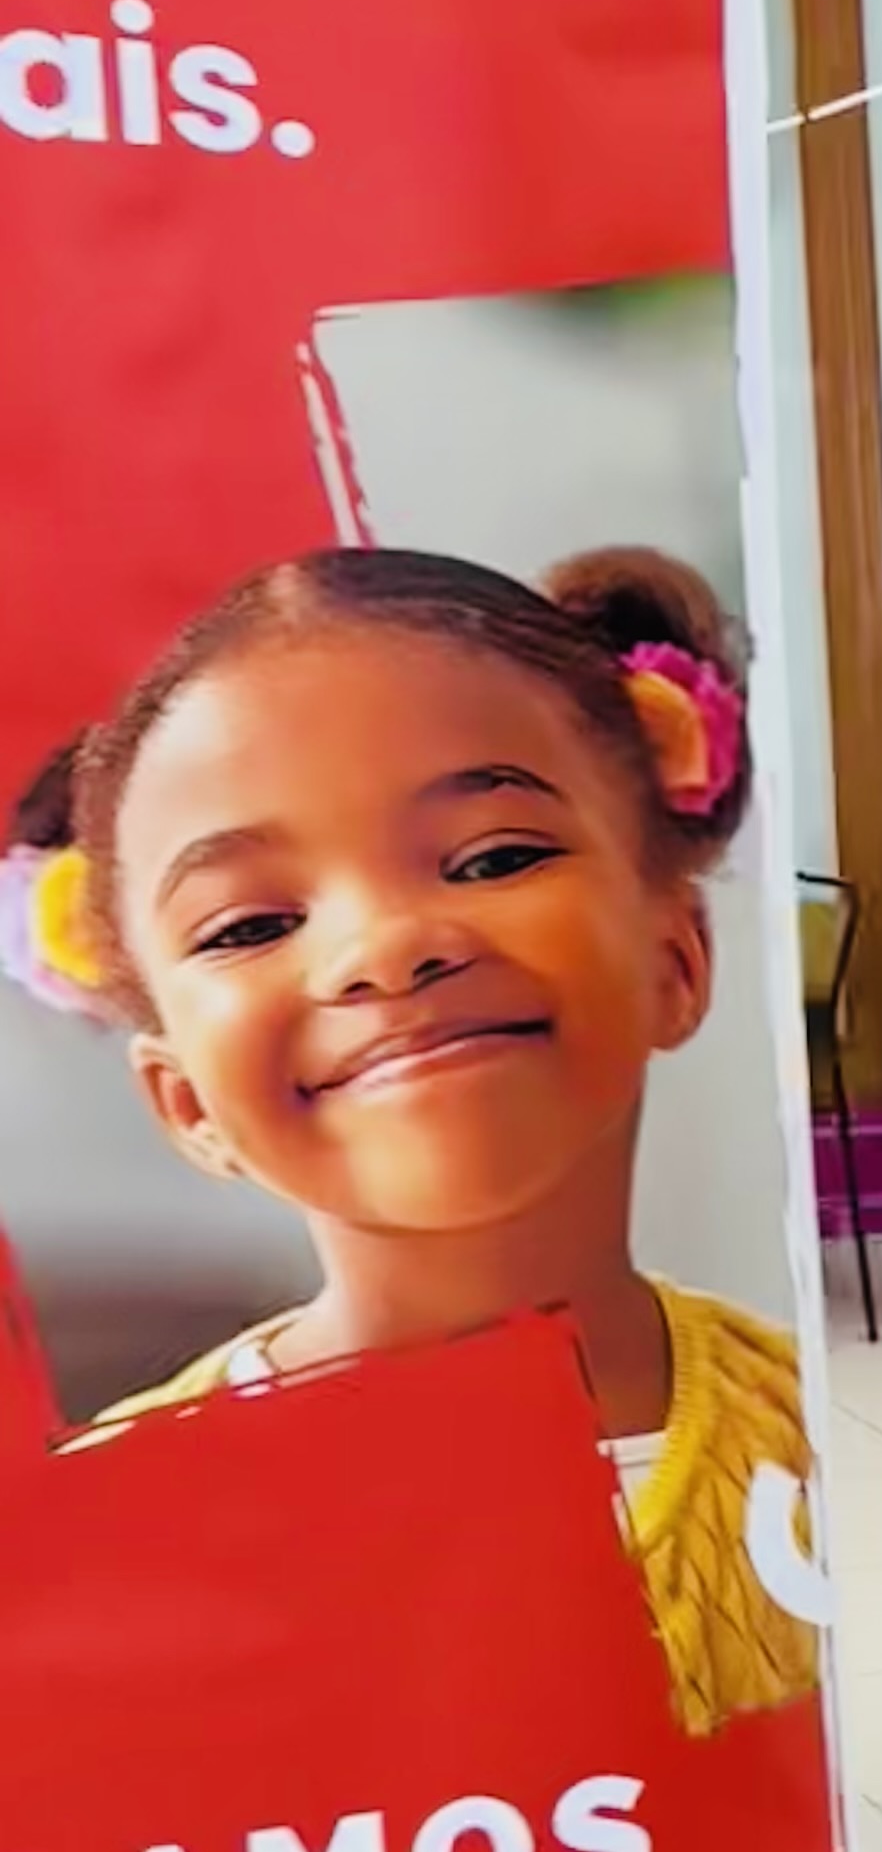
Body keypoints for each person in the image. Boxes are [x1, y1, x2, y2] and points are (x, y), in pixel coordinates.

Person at [13, 544, 820, 1739]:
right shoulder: (97, 1554)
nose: (385, 947)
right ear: (186, 1103)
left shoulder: (822, 1448)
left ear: (675, 960)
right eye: (249, 925)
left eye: (494, 857)